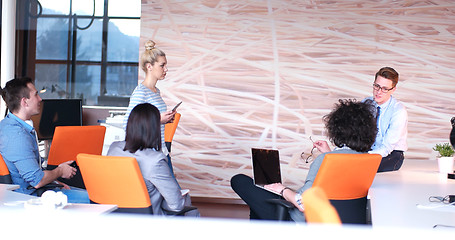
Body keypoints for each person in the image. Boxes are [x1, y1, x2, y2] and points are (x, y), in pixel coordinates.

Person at [230, 99, 377, 221]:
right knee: (259, 207)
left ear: (337, 129)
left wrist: (282, 190)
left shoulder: (324, 160)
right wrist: (329, 154)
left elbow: (303, 204)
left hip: (301, 222)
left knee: (239, 180)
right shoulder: (368, 161)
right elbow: (342, 183)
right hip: (337, 222)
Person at [0, 77, 89, 203]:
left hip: (36, 190)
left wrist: (53, 181)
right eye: (36, 95)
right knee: (92, 198)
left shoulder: (8, 125)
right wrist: (60, 171)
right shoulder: (17, 135)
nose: (40, 99)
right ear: (24, 102)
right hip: (29, 198)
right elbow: (37, 181)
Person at [109, 103, 198, 216]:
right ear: (155, 128)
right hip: (148, 219)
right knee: (191, 211)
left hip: (114, 215)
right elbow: (176, 205)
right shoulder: (155, 161)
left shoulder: (113, 148)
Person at [124, 40, 178, 179]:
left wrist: (165, 119)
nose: (166, 69)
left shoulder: (155, 91)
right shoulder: (141, 92)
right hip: (149, 154)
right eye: (162, 65)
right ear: (149, 66)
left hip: (161, 150)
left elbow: (152, 118)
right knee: (173, 194)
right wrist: (158, 119)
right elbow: (128, 123)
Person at [363, 67, 408, 172]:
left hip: (391, 154)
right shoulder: (366, 103)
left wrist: (364, 158)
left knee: (362, 169)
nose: (378, 92)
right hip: (368, 151)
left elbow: (387, 147)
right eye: (376, 86)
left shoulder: (398, 111)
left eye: (384, 89)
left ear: (393, 89)